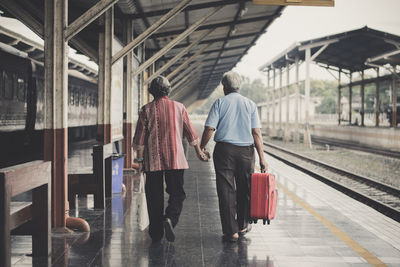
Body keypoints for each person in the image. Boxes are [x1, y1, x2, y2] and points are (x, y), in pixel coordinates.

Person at [133, 76, 208, 243]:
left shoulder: (145, 110)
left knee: (154, 196)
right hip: (176, 158)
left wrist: (139, 159)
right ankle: (170, 218)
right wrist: (199, 152)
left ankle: (156, 233)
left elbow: (139, 141)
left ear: (151, 91)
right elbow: (190, 133)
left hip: (152, 160)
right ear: (168, 91)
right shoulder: (179, 107)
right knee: (177, 193)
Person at [200, 71, 267, 242]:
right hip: (246, 152)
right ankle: (242, 225)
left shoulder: (220, 103)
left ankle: (232, 231)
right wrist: (262, 158)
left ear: (224, 87)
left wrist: (202, 146)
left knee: (225, 190)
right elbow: (256, 133)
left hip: (224, 151)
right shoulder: (250, 104)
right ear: (240, 87)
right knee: (245, 189)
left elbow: (209, 129)